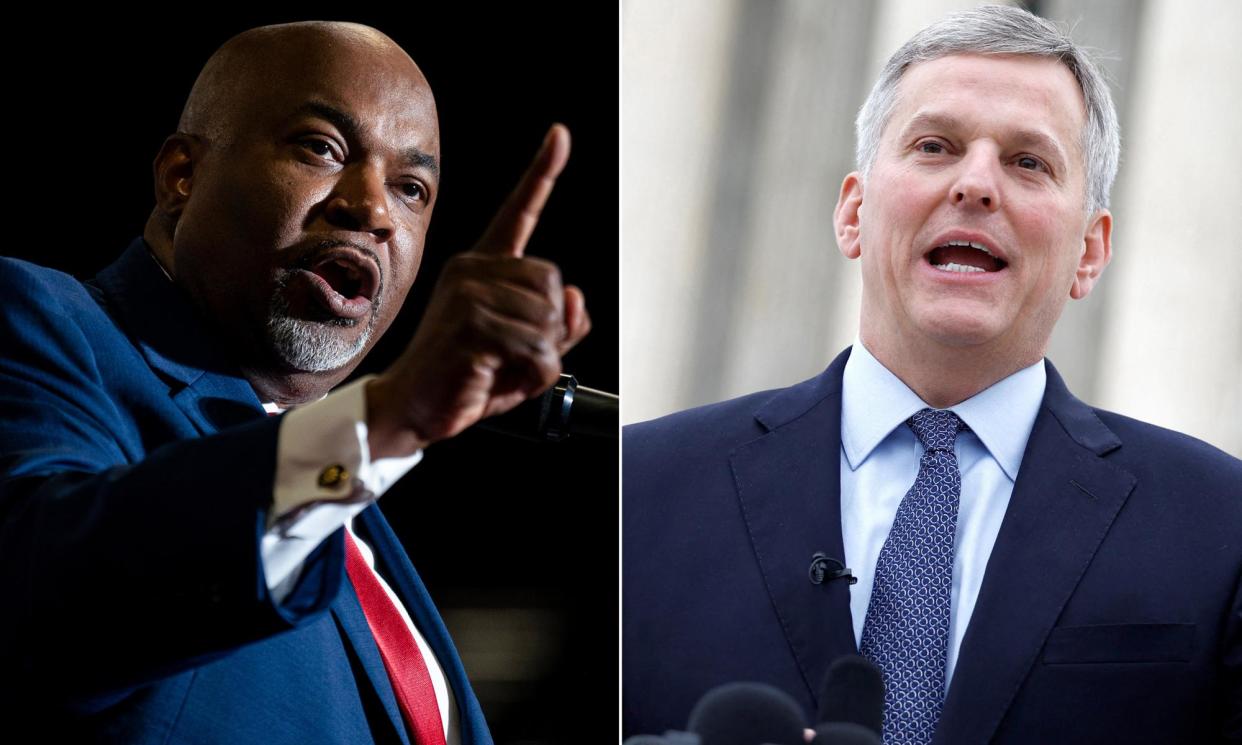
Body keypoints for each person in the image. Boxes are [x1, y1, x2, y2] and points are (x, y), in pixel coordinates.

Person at [623, 6, 1241, 744]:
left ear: (1090, 251)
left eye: (1028, 162)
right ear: (853, 212)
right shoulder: (640, 487)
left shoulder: (1219, 524)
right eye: (935, 146)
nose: (977, 184)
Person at [0, 21, 591, 744]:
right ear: (181, 176)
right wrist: (390, 417)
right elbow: (45, 599)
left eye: (411, 188)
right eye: (322, 148)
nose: (373, 210)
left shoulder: (351, 503)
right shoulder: (37, 321)